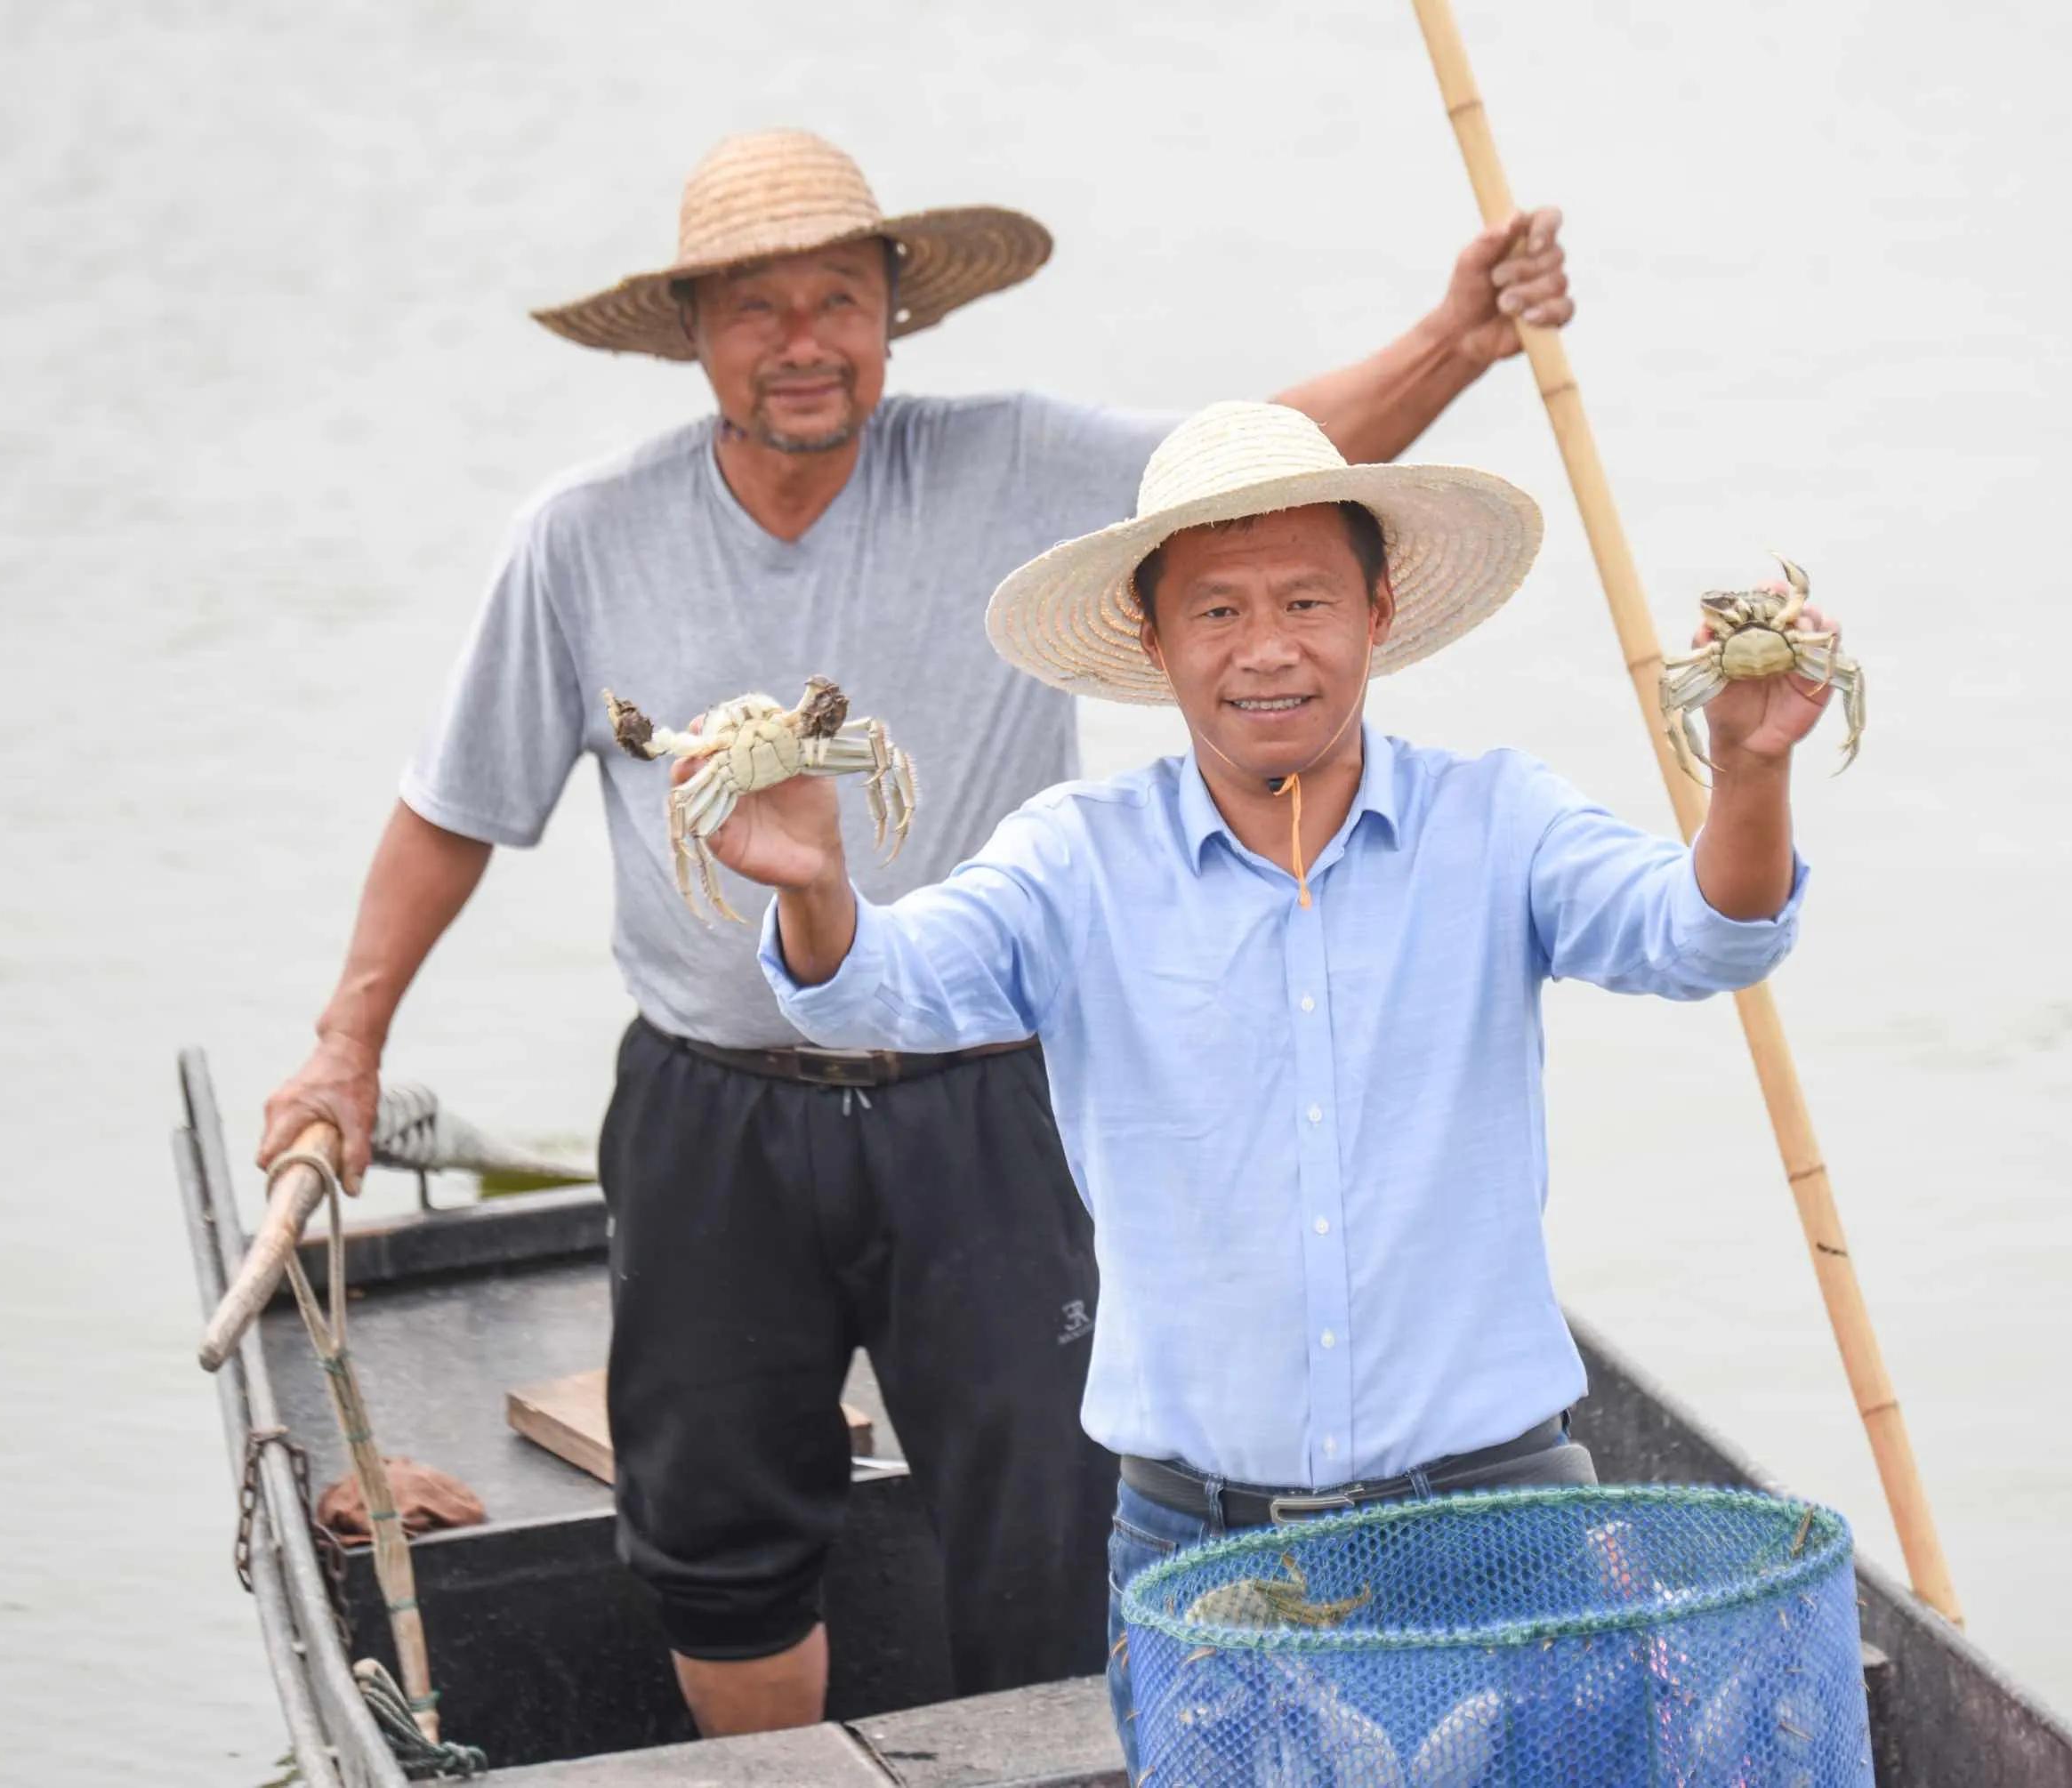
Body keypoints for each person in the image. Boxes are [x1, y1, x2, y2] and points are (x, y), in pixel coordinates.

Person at [251, 129, 1579, 1736]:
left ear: (897, 314)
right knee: (716, 1531)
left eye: (838, 297)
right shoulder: (584, 537)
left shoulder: (1015, 465)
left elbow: (1273, 470)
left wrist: (1459, 335)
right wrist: (348, 1041)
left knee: (1057, 1512)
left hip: (983, 1091)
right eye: (755, 307)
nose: (801, 340)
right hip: (715, 1093)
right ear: (694, 334)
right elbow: (455, 806)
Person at [701, 399, 1836, 1774]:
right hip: (1201, 1544)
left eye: (1308, 599)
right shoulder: (1076, 860)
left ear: (1378, 608)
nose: (1269, 649)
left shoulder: (1498, 818)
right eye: (1219, 612)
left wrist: (1751, 770)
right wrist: (819, 884)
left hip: (1495, 1514)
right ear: (1154, 641)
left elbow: (1705, 930)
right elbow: (880, 986)